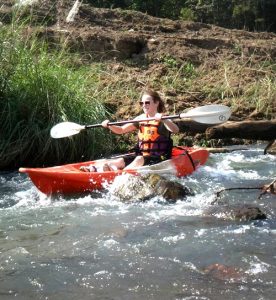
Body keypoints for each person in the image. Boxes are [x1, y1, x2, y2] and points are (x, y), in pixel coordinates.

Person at [80, 89, 179, 172]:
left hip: (159, 157)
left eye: (147, 102)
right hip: (142, 155)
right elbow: (121, 130)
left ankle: (120, 175)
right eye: (142, 103)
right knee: (119, 161)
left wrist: (164, 120)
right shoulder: (141, 118)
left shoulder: (164, 118)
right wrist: (109, 125)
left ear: (156, 103)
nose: (144, 105)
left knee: (139, 159)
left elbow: (175, 130)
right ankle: (93, 169)